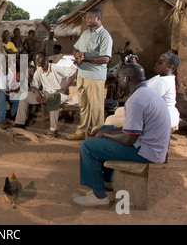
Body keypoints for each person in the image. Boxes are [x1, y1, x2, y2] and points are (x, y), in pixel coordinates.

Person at [73, 63, 171, 207]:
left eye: (119, 79)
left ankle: (99, 196)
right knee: (106, 127)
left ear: (127, 79)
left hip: (146, 151)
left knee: (87, 146)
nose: (118, 83)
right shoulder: (145, 93)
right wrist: (104, 131)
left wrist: (105, 134)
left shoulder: (136, 100)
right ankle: (107, 179)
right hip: (150, 145)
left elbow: (128, 138)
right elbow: (130, 130)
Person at [67, 8, 113, 140]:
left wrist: (85, 59)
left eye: (90, 17)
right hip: (82, 74)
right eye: (86, 17)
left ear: (98, 19)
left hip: (95, 77)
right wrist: (77, 54)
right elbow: (76, 48)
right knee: (83, 106)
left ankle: (98, 135)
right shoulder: (85, 33)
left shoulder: (104, 36)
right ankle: (82, 132)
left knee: (96, 108)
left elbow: (105, 59)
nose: (87, 19)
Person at [14, 52, 76, 136]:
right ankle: (19, 124)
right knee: (24, 96)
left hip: (59, 94)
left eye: (39, 58)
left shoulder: (56, 67)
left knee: (53, 98)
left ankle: (53, 130)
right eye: (36, 59)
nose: (37, 61)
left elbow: (74, 74)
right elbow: (34, 85)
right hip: (46, 94)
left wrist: (64, 89)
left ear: (46, 58)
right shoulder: (38, 72)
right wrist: (36, 91)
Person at [145, 52, 180, 131]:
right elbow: (142, 85)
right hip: (164, 118)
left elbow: (144, 97)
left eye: (160, 63)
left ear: (170, 67)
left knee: (114, 120)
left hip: (164, 121)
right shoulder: (159, 77)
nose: (156, 64)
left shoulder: (163, 82)